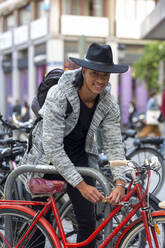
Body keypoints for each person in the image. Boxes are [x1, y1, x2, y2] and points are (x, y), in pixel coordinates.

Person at [20, 42, 128, 247]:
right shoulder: (59, 94)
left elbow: (114, 143)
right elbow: (52, 147)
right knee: (40, 222)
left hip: (79, 157)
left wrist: (120, 182)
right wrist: (81, 185)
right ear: (84, 71)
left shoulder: (107, 103)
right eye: (95, 73)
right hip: (47, 159)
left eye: (105, 75)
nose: (100, 80)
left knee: (88, 223)